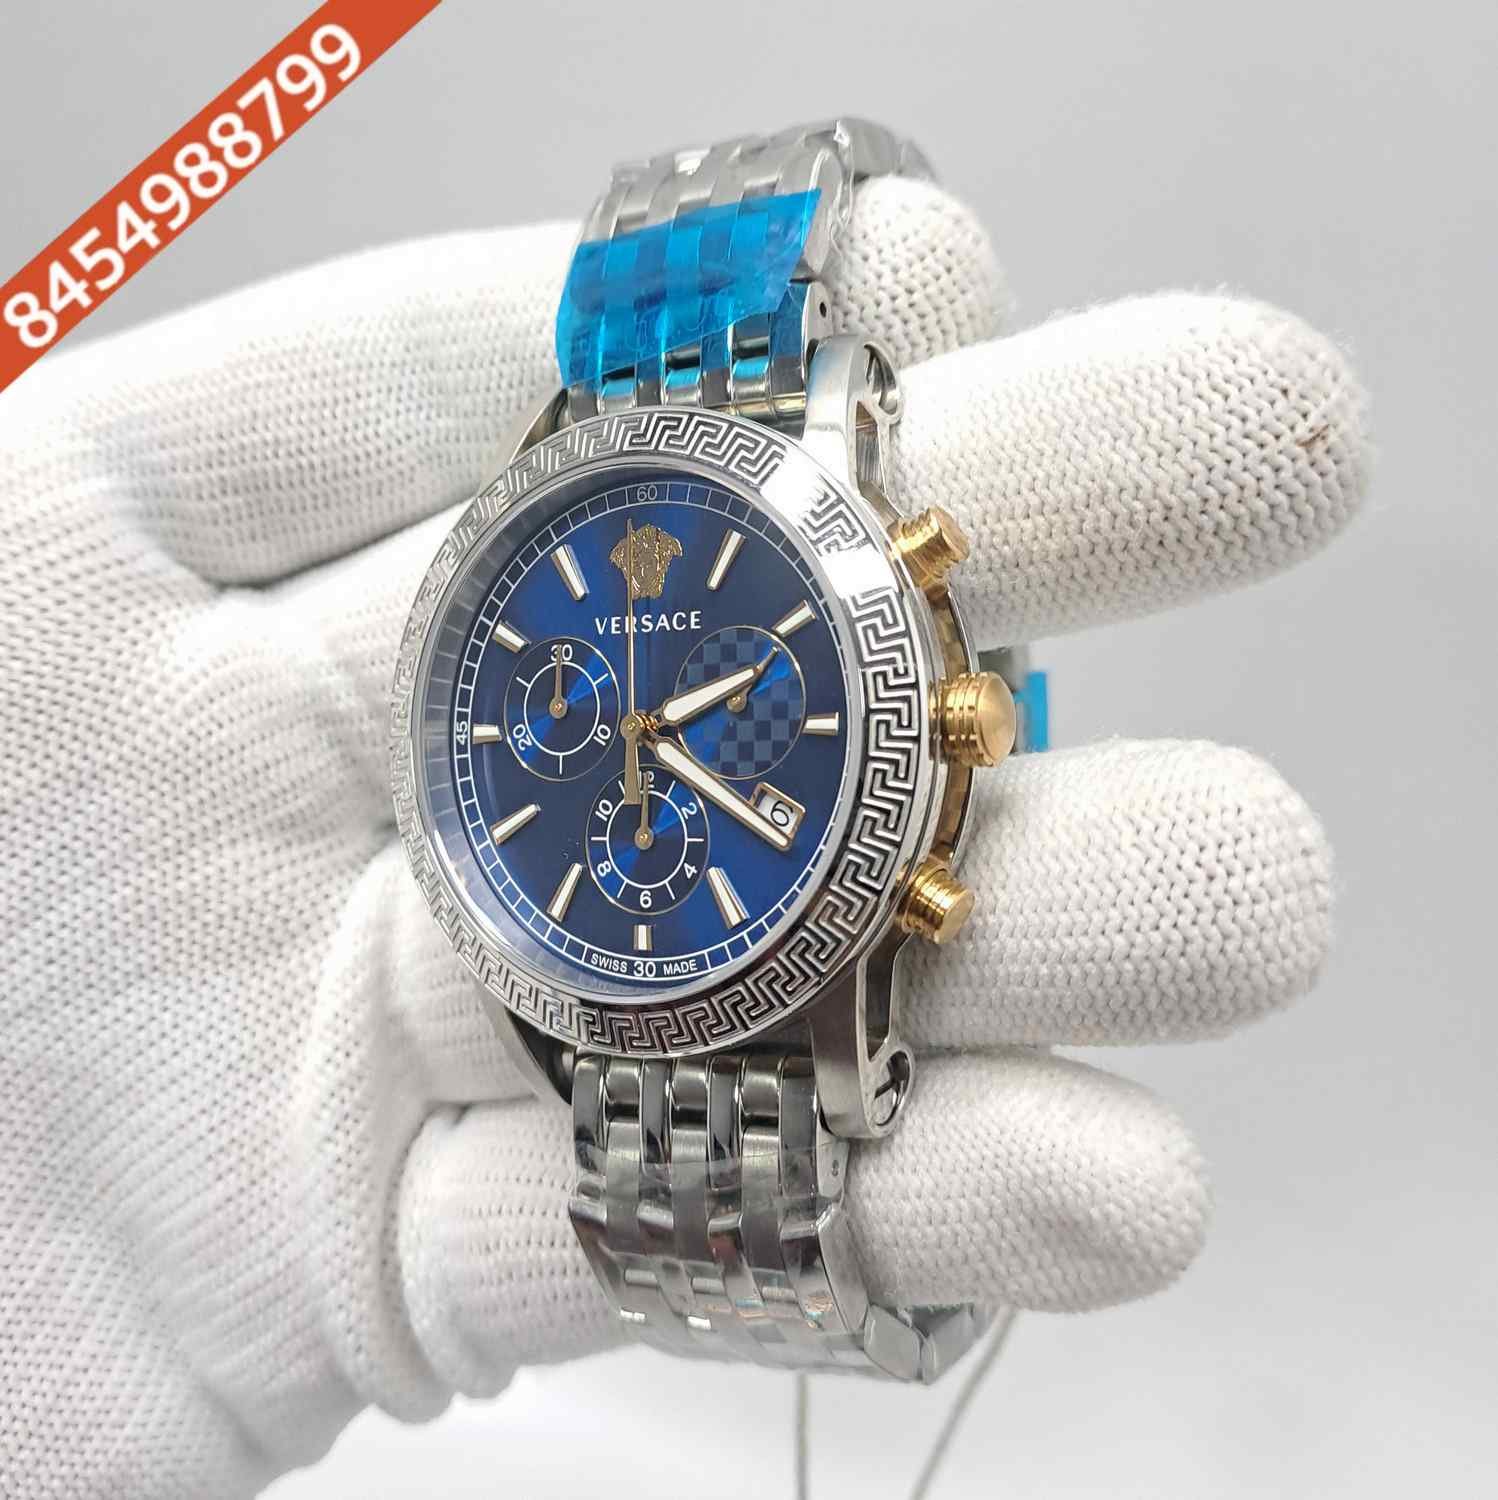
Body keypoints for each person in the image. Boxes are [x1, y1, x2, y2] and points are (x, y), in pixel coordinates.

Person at [0, 176, 1367, 1496]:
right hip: (579, 960)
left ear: (953, 720)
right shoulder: (504, 720)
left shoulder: (829, 584)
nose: (641, 732)